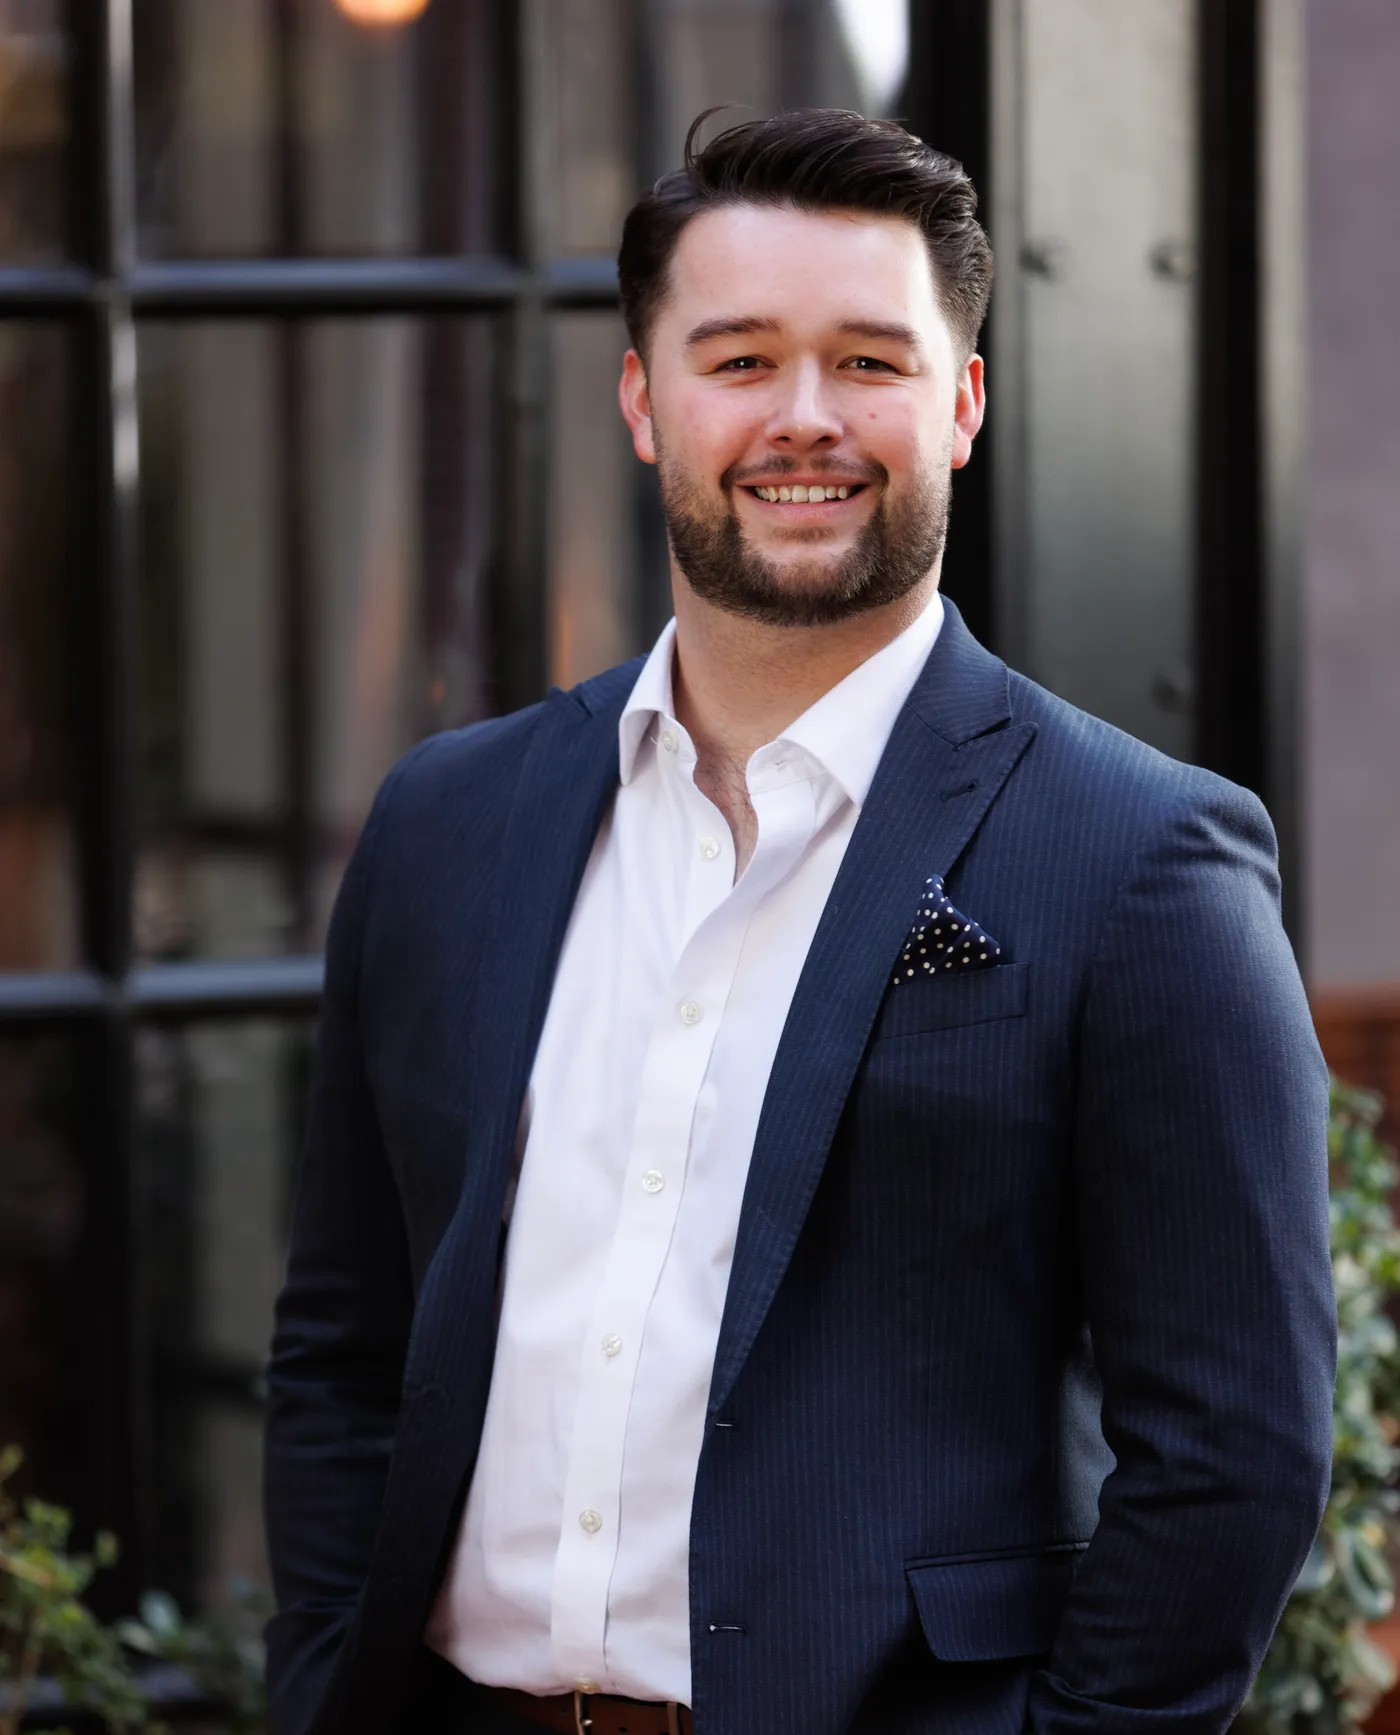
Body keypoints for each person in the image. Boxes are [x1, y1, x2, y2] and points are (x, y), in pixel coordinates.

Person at [263, 109, 1335, 1735]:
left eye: (871, 362)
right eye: (742, 359)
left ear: (962, 402)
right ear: (645, 400)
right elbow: (344, 1345)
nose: (806, 417)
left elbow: (1238, 1445)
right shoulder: (446, 824)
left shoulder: (1142, 859)